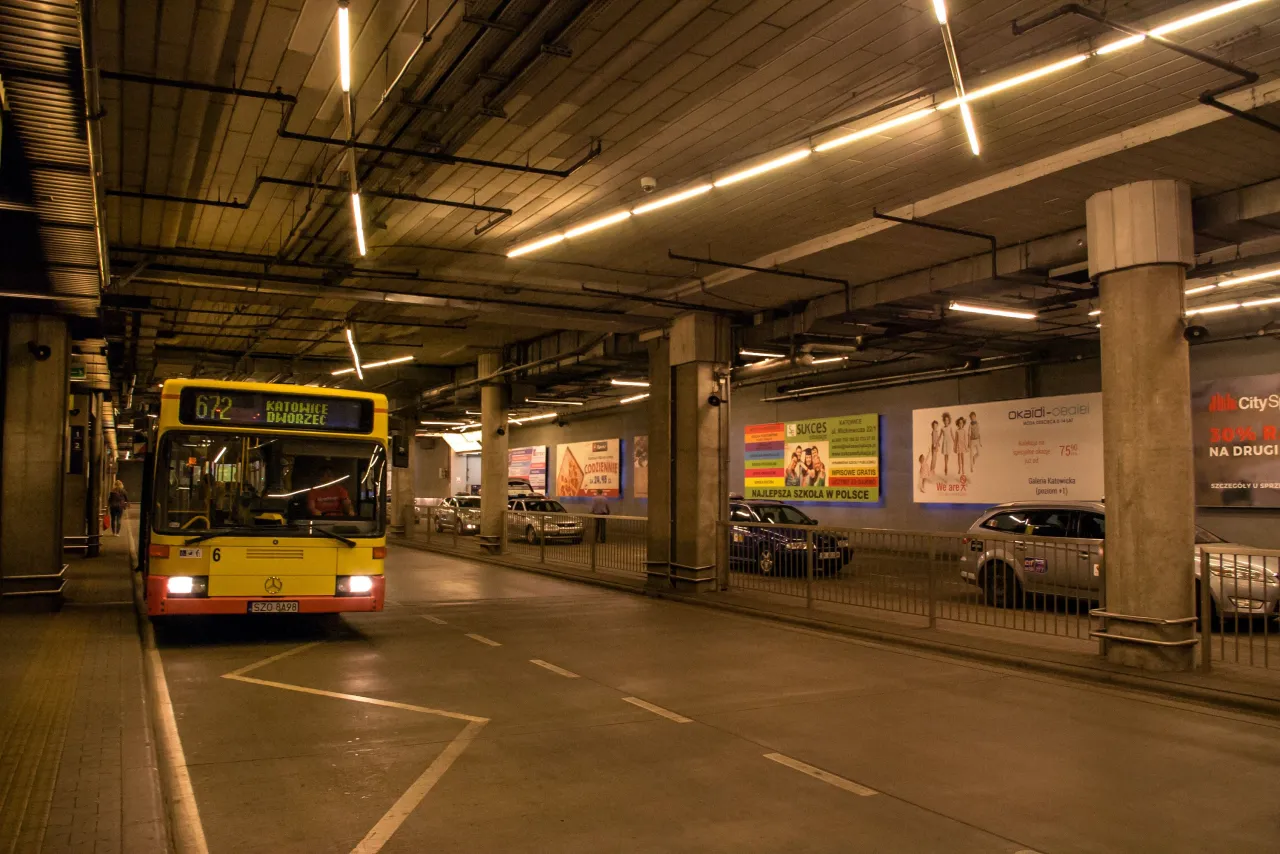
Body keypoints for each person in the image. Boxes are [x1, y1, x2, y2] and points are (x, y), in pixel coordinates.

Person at [940, 412, 954, 477]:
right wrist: (937, 442)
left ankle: (946, 465)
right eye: (945, 420)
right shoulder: (942, 428)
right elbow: (940, 436)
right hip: (944, 443)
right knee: (945, 455)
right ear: (944, 421)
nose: (946, 421)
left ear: (949, 421)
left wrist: (955, 442)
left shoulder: (950, 428)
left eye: (947, 420)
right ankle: (946, 467)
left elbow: (952, 435)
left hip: (949, 442)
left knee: (947, 455)